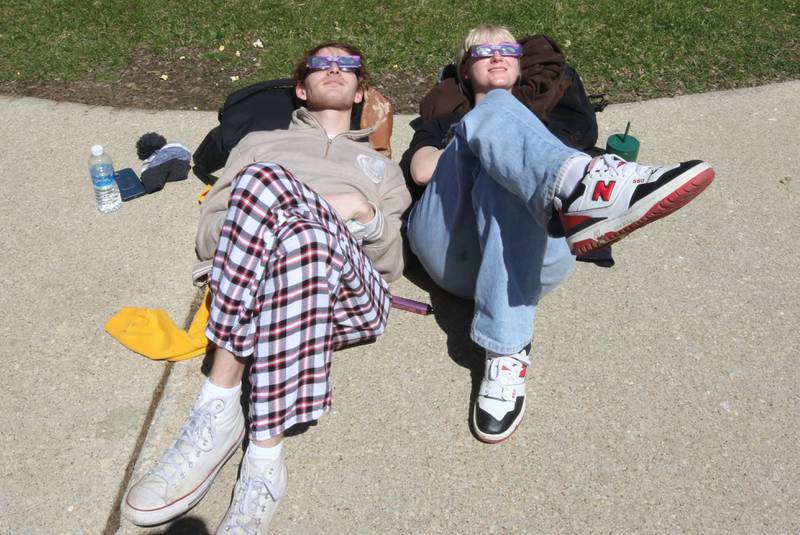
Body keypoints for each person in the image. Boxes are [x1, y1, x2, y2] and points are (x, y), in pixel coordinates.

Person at [121, 42, 411, 532]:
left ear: (361, 91)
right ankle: (262, 457)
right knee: (286, 210)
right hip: (266, 275)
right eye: (322, 65)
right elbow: (210, 235)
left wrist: (361, 211)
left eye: (348, 67)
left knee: (283, 202)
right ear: (302, 88)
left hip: (345, 298)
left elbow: (388, 267)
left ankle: (220, 399)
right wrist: (294, 218)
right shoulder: (258, 144)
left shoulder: (383, 169)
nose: (334, 70)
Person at [401, 25, 714, 444]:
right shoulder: (444, 116)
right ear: (464, 69)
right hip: (450, 253)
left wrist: (514, 150)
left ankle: (506, 349)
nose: (496, 56)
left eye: (507, 49)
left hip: (531, 262)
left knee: (507, 168)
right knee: (491, 138)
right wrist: (477, 139)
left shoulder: (550, 116)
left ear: (519, 63)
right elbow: (422, 170)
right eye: (483, 51)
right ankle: (583, 185)